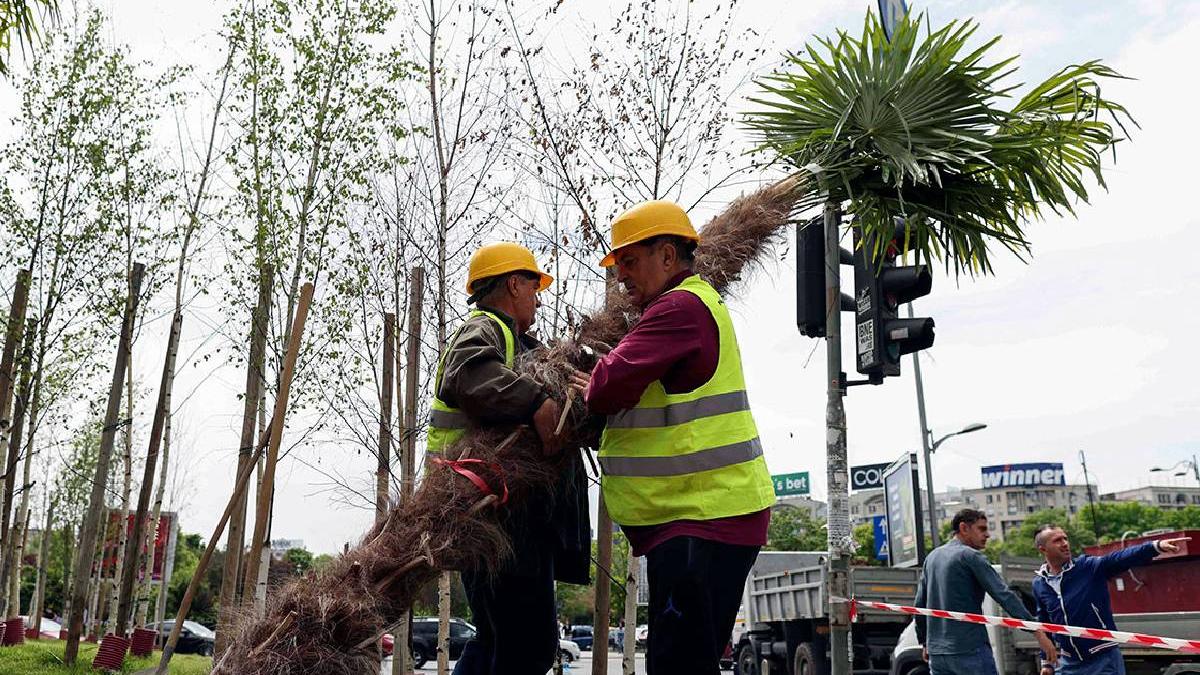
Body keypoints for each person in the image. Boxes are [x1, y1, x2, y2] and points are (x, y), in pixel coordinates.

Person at [583, 200, 776, 675]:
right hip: (701, 517)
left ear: (667, 256)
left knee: (679, 663)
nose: (620, 276)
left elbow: (607, 386)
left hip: (704, 516)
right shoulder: (689, 305)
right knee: (684, 659)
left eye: (630, 261)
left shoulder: (678, 308)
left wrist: (591, 380)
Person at [432, 242, 591, 675]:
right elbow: (467, 374)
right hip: (500, 515)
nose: (538, 297)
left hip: (490, 516)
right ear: (514, 284)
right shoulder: (486, 328)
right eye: (534, 287)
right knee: (528, 646)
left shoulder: (515, 341)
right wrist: (537, 400)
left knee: (496, 641)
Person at [914, 508, 1059, 675]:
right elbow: (1003, 595)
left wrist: (925, 642)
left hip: (938, 654)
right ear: (964, 528)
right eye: (982, 529)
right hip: (969, 650)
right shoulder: (970, 556)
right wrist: (1036, 631)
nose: (988, 535)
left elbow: (919, 604)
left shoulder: (932, 558)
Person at [1032, 526, 1187, 675]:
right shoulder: (1039, 584)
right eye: (1057, 540)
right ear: (1042, 549)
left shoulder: (1088, 567)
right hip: (1068, 662)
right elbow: (1044, 624)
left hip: (1103, 658)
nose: (1065, 543)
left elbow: (1121, 557)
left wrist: (1155, 546)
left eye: (1065, 538)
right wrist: (1047, 663)